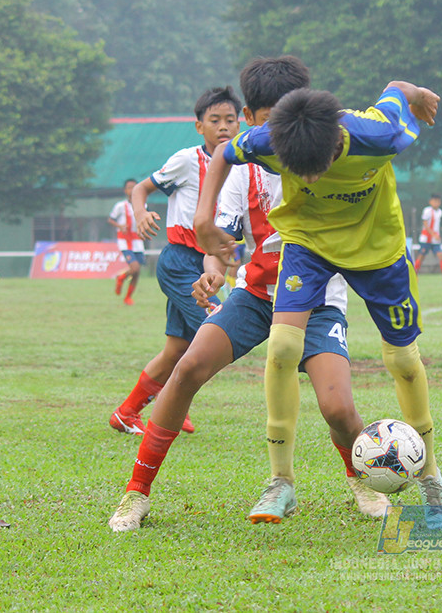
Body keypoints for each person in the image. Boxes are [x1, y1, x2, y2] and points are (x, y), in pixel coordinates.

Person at [107, 69, 390, 529]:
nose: (282, 132)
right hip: (257, 296)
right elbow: (222, 242)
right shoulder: (242, 168)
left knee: (338, 408)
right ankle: (136, 494)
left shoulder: (328, 158)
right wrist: (212, 271)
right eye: (271, 120)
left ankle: (361, 480)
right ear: (250, 119)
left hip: (318, 303)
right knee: (187, 368)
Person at [194, 68, 442, 528]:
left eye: (318, 167)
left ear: (337, 142)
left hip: (378, 249)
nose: (311, 177)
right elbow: (221, 155)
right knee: (282, 346)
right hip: (308, 244)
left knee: (402, 360)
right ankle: (281, 481)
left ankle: (431, 474)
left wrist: (418, 93)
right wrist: (202, 218)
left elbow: (396, 88)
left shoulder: (380, 132)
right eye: (300, 172)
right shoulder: (271, 137)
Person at [107, 87, 242, 437]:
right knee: (214, 333)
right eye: (215, 120)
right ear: (199, 126)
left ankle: (127, 412)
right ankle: (172, 403)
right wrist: (140, 213)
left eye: (230, 120)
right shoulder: (187, 160)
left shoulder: (243, 166)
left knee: (177, 349)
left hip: (209, 264)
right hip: (180, 262)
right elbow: (141, 188)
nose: (223, 126)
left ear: (240, 123)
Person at [107, 178, 146, 305]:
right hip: (125, 240)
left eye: (134, 187)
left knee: (137, 272)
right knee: (134, 267)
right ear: (125, 190)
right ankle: (121, 277)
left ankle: (128, 297)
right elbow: (110, 219)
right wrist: (120, 226)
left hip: (138, 241)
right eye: (129, 187)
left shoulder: (143, 205)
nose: (132, 190)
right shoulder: (120, 206)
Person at [413, 193, 442, 283]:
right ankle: (413, 276)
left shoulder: (440, 212)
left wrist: (437, 235)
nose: (436, 203)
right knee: (421, 257)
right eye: (435, 201)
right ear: (430, 201)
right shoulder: (427, 210)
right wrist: (433, 234)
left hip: (435, 240)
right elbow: (425, 224)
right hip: (426, 239)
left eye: (438, 201)